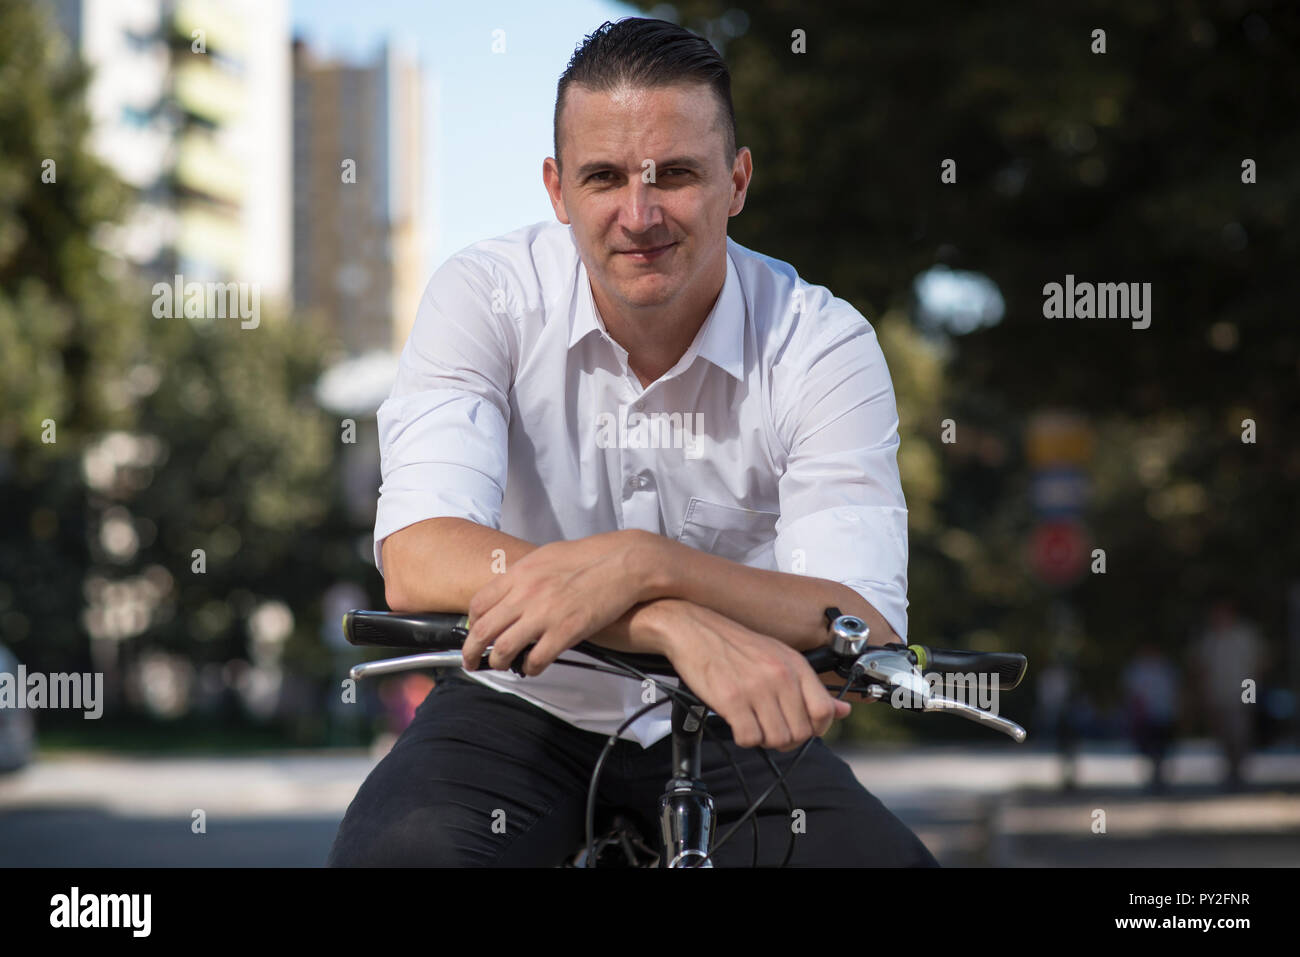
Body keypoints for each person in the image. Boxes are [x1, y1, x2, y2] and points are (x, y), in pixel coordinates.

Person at [327, 17, 936, 867]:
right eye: (604, 177)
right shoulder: (484, 295)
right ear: (557, 189)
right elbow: (419, 557)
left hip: (737, 717)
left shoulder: (821, 342)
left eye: (676, 174)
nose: (638, 214)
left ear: (737, 180)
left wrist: (648, 562)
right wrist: (673, 618)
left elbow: (861, 625)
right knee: (399, 859)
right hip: (519, 700)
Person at [1191, 598, 1266, 790]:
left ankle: (1239, 772)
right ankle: (1229, 772)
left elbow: (1258, 662)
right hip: (1218, 694)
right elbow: (1202, 668)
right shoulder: (1210, 638)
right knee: (1223, 735)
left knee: (1240, 733)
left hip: (1241, 692)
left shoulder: (1245, 635)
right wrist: (1203, 693)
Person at [1120, 644, 1179, 791]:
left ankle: (1160, 777)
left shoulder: (1166, 669)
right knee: (1148, 748)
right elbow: (1132, 693)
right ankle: (1153, 777)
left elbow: (1174, 692)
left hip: (1164, 714)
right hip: (1146, 715)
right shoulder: (1136, 670)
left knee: (1162, 748)